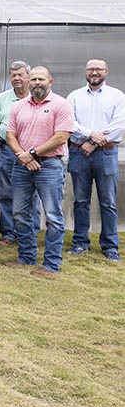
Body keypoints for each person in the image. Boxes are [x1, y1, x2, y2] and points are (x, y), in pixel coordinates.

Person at [5, 66, 75, 276]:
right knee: (19, 213)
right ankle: (26, 257)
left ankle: (51, 264)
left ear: (50, 81)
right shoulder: (18, 106)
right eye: (33, 78)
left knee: (53, 215)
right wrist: (24, 157)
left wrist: (32, 153)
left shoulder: (61, 105)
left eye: (41, 79)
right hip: (22, 166)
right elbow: (10, 136)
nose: (37, 82)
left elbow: (61, 137)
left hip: (50, 166)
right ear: (28, 82)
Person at [66, 58, 124, 262]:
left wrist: (94, 143)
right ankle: (80, 242)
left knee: (107, 201)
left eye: (98, 69)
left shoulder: (117, 96)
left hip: (106, 153)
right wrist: (91, 134)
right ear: (86, 71)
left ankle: (110, 246)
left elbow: (118, 126)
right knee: (81, 200)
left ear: (106, 71)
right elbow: (69, 122)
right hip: (79, 153)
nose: (94, 72)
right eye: (90, 69)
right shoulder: (74, 96)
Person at [0, 61, 40, 246]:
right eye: (13, 75)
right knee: (5, 193)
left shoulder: (38, 97)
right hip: (7, 152)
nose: (17, 78)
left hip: (32, 153)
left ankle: (30, 233)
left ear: (28, 77)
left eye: (21, 74)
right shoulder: (3, 99)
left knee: (32, 194)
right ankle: (9, 234)